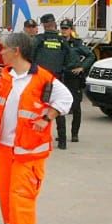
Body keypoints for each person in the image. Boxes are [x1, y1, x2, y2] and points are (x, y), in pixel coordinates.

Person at [0, 29, 72, 224]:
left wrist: (47, 117)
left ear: (16, 51)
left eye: (4, 48)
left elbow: (66, 99)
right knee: (4, 190)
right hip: (4, 147)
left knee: (21, 193)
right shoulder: (5, 76)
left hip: (29, 149)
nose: (1, 52)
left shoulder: (42, 78)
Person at [32, 13, 71, 149]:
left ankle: (37, 137)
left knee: (37, 107)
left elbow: (29, 57)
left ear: (43, 25)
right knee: (57, 106)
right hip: (57, 79)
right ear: (54, 23)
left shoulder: (39, 39)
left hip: (40, 79)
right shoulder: (62, 41)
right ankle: (62, 141)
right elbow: (71, 60)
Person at [60, 18, 94, 143]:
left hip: (74, 77)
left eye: (66, 28)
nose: (64, 31)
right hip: (62, 76)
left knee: (76, 107)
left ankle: (74, 134)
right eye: (62, 28)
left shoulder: (77, 43)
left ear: (71, 30)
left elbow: (91, 55)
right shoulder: (59, 42)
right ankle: (61, 133)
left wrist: (82, 67)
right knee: (60, 106)